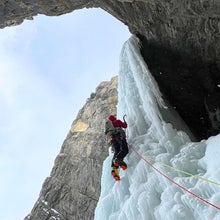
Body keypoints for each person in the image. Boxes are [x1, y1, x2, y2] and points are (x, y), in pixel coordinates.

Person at [105, 114, 129, 181]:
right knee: (125, 149)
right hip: (119, 137)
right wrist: (124, 123)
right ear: (114, 118)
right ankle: (119, 159)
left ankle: (114, 169)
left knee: (116, 151)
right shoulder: (117, 121)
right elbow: (125, 126)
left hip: (113, 140)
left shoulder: (109, 128)